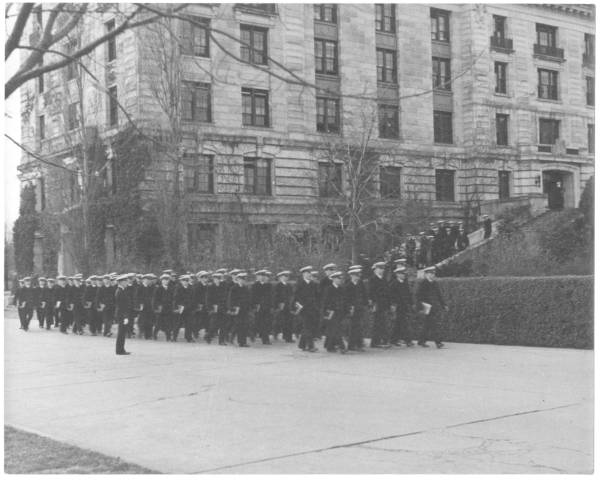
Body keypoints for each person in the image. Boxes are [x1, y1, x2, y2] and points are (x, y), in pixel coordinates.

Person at [416, 266, 448, 349]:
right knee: (434, 324)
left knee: (427, 324)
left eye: (433, 273)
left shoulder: (435, 283)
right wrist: (421, 307)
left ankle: (421, 341)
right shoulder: (423, 283)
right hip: (427, 307)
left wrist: (444, 305)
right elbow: (419, 296)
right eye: (430, 273)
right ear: (426, 274)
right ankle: (438, 342)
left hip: (434, 307)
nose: (432, 275)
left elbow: (439, 295)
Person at [293, 266, 319, 352]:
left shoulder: (313, 284)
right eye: (307, 273)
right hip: (303, 309)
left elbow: (316, 296)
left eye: (309, 273)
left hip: (312, 309)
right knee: (307, 327)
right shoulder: (299, 284)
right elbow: (295, 296)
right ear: (303, 274)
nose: (309, 274)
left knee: (308, 327)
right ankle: (311, 346)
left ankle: (302, 344)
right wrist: (297, 307)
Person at [388, 265, 414, 347]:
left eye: (404, 274)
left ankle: (393, 339)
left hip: (404, 306)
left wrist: (411, 303)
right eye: (402, 274)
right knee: (403, 323)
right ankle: (407, 340)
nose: (404, 275)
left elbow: (408, 294)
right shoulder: (394, 284)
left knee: (399, 324)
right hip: (398, 306)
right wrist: (393, 305)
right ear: (397, 274)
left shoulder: (405, 283)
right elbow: (391, 296)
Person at [322, 271, 347, 353]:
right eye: (339, 278)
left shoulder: (341, 289)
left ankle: (329, 346)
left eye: (341, 278)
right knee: (336, 329)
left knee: (333, 330)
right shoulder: (328, 289)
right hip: (331, 312)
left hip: (339, 312)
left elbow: (344, 301)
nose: (340, 280)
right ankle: (342, 346)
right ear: (334, 279)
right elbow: (325, 302)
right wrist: (326, 312)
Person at [368, 262, 391, 348]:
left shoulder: (384, 279)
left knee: (383, 322)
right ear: (375, 269)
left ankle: (383, 340)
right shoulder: (373, 279)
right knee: (377, 323)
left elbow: (387, 292)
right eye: (380, 268)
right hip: (377, 304)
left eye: (383, 269)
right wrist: (373, 303)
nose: (382, 270)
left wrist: (389, 304)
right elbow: (371, 292)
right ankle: (375, 342)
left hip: (383, 304)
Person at [345, 267, 367, 351]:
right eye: (355, 276)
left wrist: (365, 304)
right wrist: (349, 308)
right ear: (351, 276)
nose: (357, 277)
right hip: (352, 309)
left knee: (359, 326)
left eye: (358, 276)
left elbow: (364, 295)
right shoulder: (348, 286)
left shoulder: (360, 284)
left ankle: (359, 344)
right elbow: (346, 299)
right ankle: (351, 345)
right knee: (353, 327)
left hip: (360, 308)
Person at [227, 271, 251, 347]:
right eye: (241, 279)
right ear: (238, 279)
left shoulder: (245, 288)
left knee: (244, 325)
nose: (242, 281)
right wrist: (232, 308)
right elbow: (231, 299)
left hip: (244, 309)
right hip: (237, 309)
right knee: (239, 325)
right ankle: (238, 340)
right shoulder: (234, 288)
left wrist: (249, 307)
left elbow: (248, 299)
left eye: (244, 279)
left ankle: (242, 341)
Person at [251, 270, 273, 345]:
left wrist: (271, 306)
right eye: (260, 276)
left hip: (266, 307)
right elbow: (253, 296)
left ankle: (265, 339)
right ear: (257, 277)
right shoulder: (255, 285)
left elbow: (271, 296)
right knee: (257, 322)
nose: (262, 277)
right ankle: (252, 334)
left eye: (263, 276)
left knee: (266, 323)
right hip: (258, 307)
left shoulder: (269, 285)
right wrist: (255, 305)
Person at [206, 272, 228, 344]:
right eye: (215, 279)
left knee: (223, 325)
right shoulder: (210, 287)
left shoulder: (223, 286)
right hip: (214, 308)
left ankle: (221, 341)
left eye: (218, 279)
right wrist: (210, 308)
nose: (217, 280)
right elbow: (208, 299)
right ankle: (208, 336)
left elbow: (226, 297)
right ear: (213, 279)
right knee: (214, 325)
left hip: (222, 308)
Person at [173, 274, 195, 342]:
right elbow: (175, 299)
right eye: (184, 280)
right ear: (181, 281)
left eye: (187, 280)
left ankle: (188, 337)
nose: (185, 282)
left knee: (189, 324)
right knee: (178, 324)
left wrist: (192, 307)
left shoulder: (191, 288)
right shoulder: (178, 288)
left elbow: (193, 298)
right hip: (180, 308)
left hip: (189, 308)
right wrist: (176, 308)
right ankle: (174, 337)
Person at [273, 270, 294, 343]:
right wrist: (278, 305)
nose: (286, 278)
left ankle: (288, 337)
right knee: (279, 321)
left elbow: (291, 295)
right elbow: (276, 296)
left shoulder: (289, 286)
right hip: (281, 306)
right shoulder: (278, 286)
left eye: (287, 276)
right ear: (280, 277)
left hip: (288, 306)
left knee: (289, 322)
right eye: (284, 276)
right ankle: (275, 333)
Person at [152, 274, 174, 341]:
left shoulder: (170, 288)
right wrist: (156, 307)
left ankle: (168, 337)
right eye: (164, 280)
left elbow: (173, 298)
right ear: (161, 281)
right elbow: (155, 299)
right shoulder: (158, 289)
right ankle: (155, 334)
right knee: (158, 323)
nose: (166, 281)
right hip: (160, 308)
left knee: (168, 323)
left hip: (168, 308)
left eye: (167, 280)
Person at [114, 274, 133, 355]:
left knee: (122, 333)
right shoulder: (119, 291)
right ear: (121, 282)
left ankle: (121, 349)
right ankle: (119, 350)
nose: (126, 283)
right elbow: (121, 306)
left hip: (123, 314)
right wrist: (125, 317)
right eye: (125, 281)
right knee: (121, 333)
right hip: (122, 315)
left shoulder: (123, 290)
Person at [135, 274, 155, 340]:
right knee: (142, 321)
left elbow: (153, 297)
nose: (149, 281)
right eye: (147, 280)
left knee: (150, 321)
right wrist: (140, 304)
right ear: (144, 280)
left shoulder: (151, 288)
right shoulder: (139, 287)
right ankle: (141, 332)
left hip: (150, 307)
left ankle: (148, 335)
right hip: (142, 307)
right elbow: (137, 297)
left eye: (150, 280)